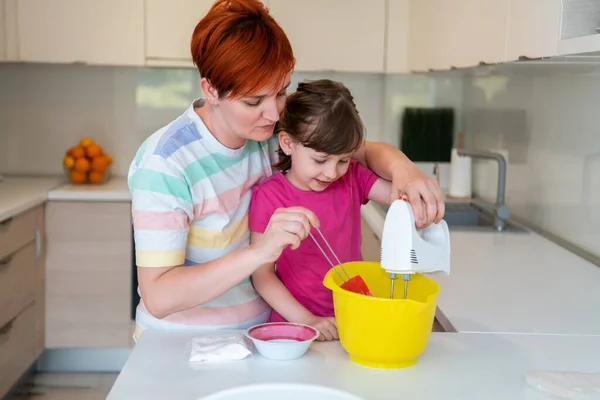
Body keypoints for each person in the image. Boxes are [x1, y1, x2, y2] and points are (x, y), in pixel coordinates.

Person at [128, 0, 444, 341]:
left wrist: (405, 171)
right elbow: (159, 297)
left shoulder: (270, 136)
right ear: (211, 90)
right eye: (254, 102)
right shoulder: (165, 164)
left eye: (280, 92)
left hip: (264, 335)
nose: (273, 113)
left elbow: (361, 152)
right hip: (181, 345)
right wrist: (259, 254)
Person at [248, 79, 393, 341]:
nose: (331, 173)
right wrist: (308, 321)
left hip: (349, 319)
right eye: (320, 159)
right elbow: (262, 275)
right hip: (293, 327)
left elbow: (398, 195)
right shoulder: (269, 196)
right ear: (288, 143)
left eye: (343, 160)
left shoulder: (352, 180)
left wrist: (412, 179)